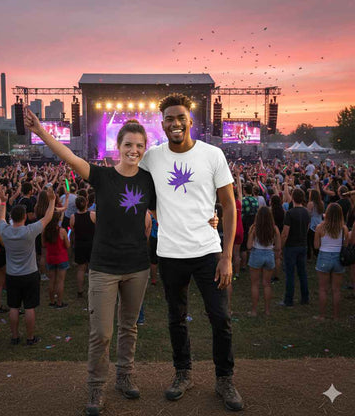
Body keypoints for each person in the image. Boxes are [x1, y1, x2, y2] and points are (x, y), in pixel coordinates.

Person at [24, 109, 157, 416]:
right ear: (118, 146)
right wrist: (43, 133)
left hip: (137, 265)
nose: (134, 150)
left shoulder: (149, 181)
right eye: (128, 145)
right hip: (104, 268)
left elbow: (174, 208)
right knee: (102, 333)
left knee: (129, 327)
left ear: (144, 147)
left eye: (139, 145)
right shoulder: (102, 176)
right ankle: (96, 389)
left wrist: (209, 219)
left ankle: (124, 377)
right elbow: (69, 157)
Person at [139, 93, 243, 411]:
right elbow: (134, 190)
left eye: (180, 117)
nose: (175, 123)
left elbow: (228, 206)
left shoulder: (212, 155)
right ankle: (182, 374)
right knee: (176, 318)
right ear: (162, 123)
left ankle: (225, 379)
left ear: (190, 121)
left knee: (220, 318)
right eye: (169, 118)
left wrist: (226, 256)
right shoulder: (152, 157)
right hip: (170, 253)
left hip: (208, 251)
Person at [0, 187, 55, 346]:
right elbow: (48, 217)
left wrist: (2, 201)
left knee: (14, 307)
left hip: (12, 275)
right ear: (24, 217)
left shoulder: (5, 230)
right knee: (29, 307)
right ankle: (30, 338)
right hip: (29, 273)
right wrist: (52, 200)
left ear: (12, 217)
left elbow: (1, 218)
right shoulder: (30, 230)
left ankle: (14, 337)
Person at [314, 203, 348, 320]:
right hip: (338, 258)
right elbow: (346, 245)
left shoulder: (320, 227)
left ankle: (322, 315)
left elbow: (316, 246)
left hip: (324, 256)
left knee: (323, 288)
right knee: (336, 289)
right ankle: (336, 315)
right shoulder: (344, 228)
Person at [247, 206, 281, 316]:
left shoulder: (254, 228)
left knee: (255, 284)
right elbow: (278, 246)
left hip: (257, 253)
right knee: (267, 284)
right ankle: (267, 310)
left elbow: (248, 246)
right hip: (269, 254)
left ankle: (254, 310)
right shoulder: (274, 228)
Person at [281, 188, 310, 306]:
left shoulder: (290, 213)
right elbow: (307, 228)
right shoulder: (306, 212)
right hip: (302, 244)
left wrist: (280, 247)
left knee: (290, 274)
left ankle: (289, 300)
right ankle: (305, 298)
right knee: (302, 273)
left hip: (291, 246)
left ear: (292, 198)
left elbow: (285, 233)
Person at [43, 211, 70, 309]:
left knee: (52, 280)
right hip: (61, 257)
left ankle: (52, 301)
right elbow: (67, 245)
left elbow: (43, 244)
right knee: (60, 281)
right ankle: (59, 302)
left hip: (50, 257)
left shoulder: (45, 231)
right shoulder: (62, 231)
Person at [69, 195, 95, 299]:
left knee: (80, 269)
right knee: (93, 269)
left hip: (80, 244)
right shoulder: (93, 215)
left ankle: (80, 291)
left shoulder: (73, 217)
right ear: (87, 203)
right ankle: (94, 289)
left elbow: (73, 229)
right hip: (92, 243)